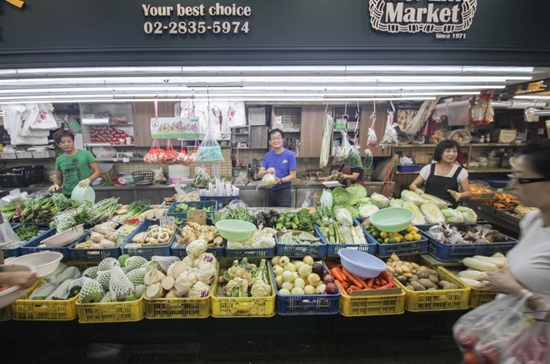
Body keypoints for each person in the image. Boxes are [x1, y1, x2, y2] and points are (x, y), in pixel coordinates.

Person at [484, 139, 550, 309]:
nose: (512, 186)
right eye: (512, 177)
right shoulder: (533, 221)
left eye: (521, 179)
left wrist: (518, 292)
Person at [409, 139, 471, 208]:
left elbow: (468, 193)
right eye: (448, 151)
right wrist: (417, 190)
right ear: (440, 153)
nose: (452, 154)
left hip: (449, 209)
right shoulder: (428, 168)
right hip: (429, 207)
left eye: (455, 151)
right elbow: (413, 185)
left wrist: (459, 195)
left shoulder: (461, 171)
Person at [48, 130, 102, 198]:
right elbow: (59, 178)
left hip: (85, 192)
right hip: (67, 194)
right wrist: (56, 185)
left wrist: (88, 180)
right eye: (63, 142)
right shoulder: (59, 159)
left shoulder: (86, 154)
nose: (67, 144)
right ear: (58, 144)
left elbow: (98, 171)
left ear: (73, 141)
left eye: (69, 141)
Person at [257, 128, 297, 207]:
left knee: (284, 216)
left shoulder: (290, 155)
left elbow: (293, 176)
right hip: (269, 192)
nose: (276, 140)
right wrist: (267, 171)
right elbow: (259, 174)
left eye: (278, 138)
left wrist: (280, 180)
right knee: (271, 216)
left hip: (284, 193)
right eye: (273, 138)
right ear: (270, 141)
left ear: (282, 139)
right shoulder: (267, 156)